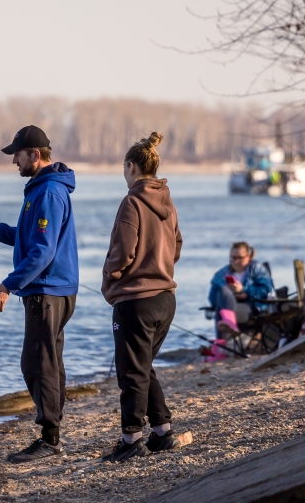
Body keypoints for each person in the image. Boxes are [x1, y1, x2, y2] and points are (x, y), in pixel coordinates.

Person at [0, 125, 78, 464]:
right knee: (47, 361)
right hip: (52, 290)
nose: (13, 160)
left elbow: (42, 253)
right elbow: (29, 239)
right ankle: (53, 433)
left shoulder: (47, 193)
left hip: (47, 291)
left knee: (37, 363)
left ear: (36, 154)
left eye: (17, 153)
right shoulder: (40, 190)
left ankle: (50, 439)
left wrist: (6, 285)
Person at [100, 132, 184, 463]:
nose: (123, 172)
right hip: (165, 298)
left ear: (131, 167)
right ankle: (162, 433)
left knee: (131, 371)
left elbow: (122, 251)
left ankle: (131, 438)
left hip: (136, 300)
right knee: (143, 366)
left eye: (123, 167)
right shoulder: (167, 200)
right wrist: (160, 267)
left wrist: (110, 275)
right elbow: (177, 245)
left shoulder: (132, 202)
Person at [208, 242, 273, 341]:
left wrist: (245, 291)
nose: (235, 261)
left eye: (239, 257)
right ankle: (228, 328)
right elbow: (212, 299)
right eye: (233, 258)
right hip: (227, 307)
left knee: (220, 311)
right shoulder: (222, 273)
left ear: (248, 256)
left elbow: (265, 290)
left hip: (252, 307)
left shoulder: (257, 269)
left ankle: (221, 342)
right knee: (222, 293)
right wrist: (229, 294)